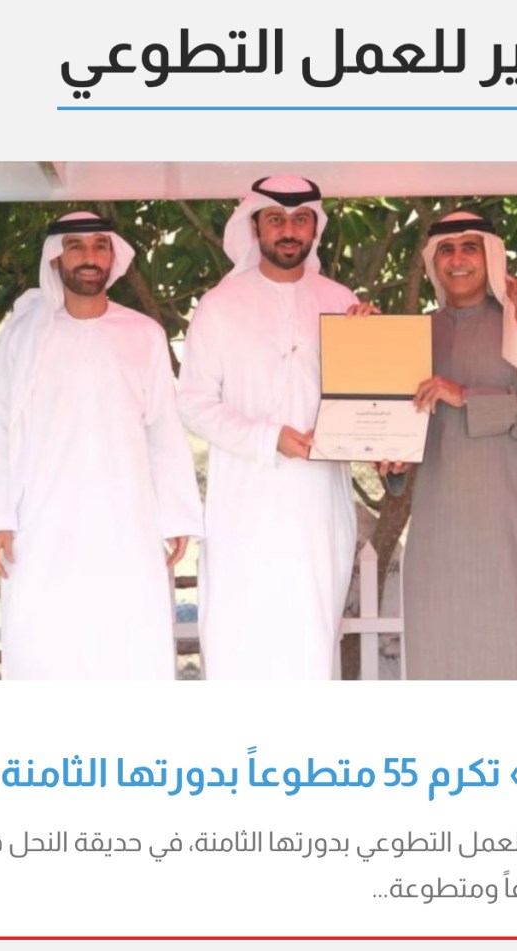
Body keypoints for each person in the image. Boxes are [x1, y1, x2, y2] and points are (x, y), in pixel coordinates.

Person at [0, 212, 203, 680]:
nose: (89, 257)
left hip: (126, 523)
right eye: (76, 246)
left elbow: (162, 428)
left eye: (99, 246)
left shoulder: (144, 334)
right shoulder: (22, 337)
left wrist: (176, 515)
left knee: (129, 643)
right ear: (55, 259)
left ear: (113, 257)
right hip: (43, 523)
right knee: (44, 643)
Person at [177, 176, 362, 679]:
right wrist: (268, 437)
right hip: (244, 504)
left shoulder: (340, 300)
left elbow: (366, 401)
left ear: (315, 229)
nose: (289, 230)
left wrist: (369, 339)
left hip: (318, 504)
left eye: (301, 219)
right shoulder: (220, 304)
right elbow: (193, 403)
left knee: (311, 636)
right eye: (276, 219)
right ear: (254, 225)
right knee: (242, 636)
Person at [390, 210, 517, 679]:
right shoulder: (418, 335)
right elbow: (403, 429)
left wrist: (467, 396)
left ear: (491, 257)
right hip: (442, 530)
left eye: (469, 248)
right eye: (446, 250)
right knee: (443, 651)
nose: (457, 260)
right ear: (433, 262)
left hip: (516, 524)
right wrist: (392, 461)